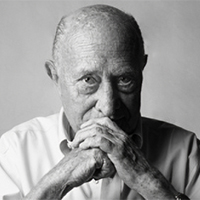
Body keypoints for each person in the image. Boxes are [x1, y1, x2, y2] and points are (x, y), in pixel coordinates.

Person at [0, 4, 199, 200]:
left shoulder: (187, 151)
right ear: (55, 77)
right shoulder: (13, 152)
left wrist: (147, 181)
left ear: (141, 70)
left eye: (125, 80)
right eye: (88, 80)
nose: (109, 107)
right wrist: (60, 179)